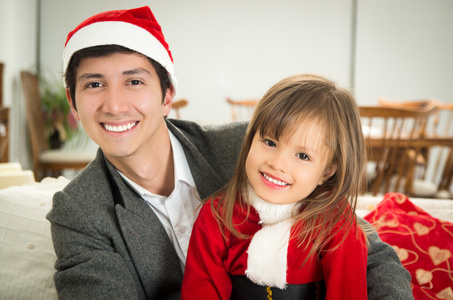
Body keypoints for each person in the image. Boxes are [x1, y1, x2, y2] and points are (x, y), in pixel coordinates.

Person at [46, 5, 413, 300]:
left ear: (167, 95)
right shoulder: (78, 212)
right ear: (73, 104)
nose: (114, 104)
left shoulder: (253, 149)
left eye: (134, 81)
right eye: (94, 84)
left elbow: (370, 253)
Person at [181, 74, 370, 299]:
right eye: (270, 142)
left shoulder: (335, 224)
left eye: (302, 155)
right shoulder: (217, 216)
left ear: (327, 171)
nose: (277, 163)